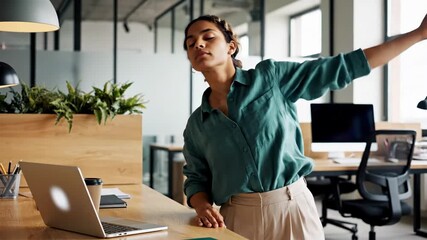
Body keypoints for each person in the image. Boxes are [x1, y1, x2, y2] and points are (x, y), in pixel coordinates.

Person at [181, 14, 427, 240]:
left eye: (208, 37)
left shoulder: (271, 78)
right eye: (191, 43)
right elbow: (196, 178)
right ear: (192, 61)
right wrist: (202, 206)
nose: (198, 44)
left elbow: (345, 67)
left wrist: (418, 34)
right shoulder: (197, 124)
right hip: (235, 217)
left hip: (292, 209)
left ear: (231, 47)